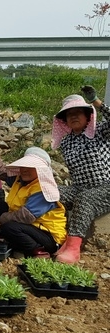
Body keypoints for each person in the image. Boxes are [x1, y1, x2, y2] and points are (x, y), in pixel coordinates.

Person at [0, 139, 67, 258]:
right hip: (29, 228)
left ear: (41, 170)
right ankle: (6, 239)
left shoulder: (44, 189)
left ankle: (37, 250)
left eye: (30, 167)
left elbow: (25, 216)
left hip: (48, 235)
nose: (24, 170)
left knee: (9, 227)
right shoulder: (20, 180)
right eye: (23, 166)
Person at [52, 87, 110, 263]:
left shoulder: (99, 131)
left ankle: (73, 247)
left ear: (88, 115)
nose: (74, 116)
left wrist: (96, 101)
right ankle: (54, 237)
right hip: (80, 187)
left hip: (106, 185)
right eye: (69, 114)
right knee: (51, 193)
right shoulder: (67, 142)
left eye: (78, 112)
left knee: (85, 198)